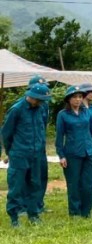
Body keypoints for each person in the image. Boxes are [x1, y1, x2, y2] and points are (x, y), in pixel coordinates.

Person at [2, 83, 51, 227]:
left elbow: (43, 128)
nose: (42, 102)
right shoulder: (16, 109)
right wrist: (11, 151)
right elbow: (6, 133)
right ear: (33, 97)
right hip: (19, 154)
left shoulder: (41, 108)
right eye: (41, 99)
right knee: (16, 186)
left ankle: (33, 214)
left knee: (35, 185)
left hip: (36, 154)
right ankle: (14, 217)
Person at [56, 85, 92, 217]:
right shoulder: (63, 115)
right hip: (72, 153)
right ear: (69, 99)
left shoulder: (87, 112)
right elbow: (59, 136)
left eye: (80, 97)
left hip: (89, 151)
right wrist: (61, 155)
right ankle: (75, 212)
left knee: (90, 183)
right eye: (74, 97)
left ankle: (86, 211)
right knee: (74, 184)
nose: (77, 100)